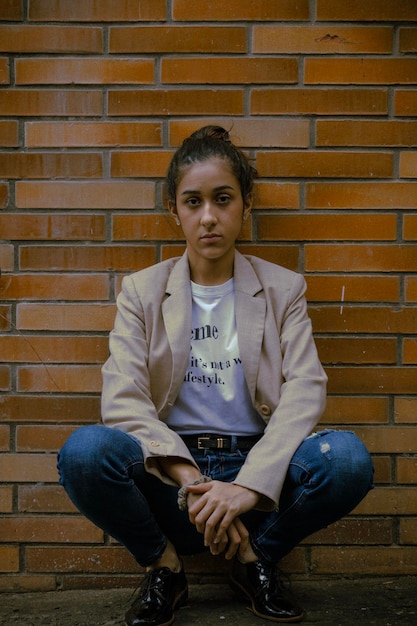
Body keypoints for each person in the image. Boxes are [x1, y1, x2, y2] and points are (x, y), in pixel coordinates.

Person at [58, 126, 374, 626]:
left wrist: (247, 486)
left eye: (223, 199)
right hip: (172, 478)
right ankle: (164, 568)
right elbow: (123, 399)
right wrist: (191, 480)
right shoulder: (142, 292)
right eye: (193, 201)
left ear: (245, 206)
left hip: (257, 472)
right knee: (84, 453)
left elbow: (305, 388)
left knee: (348, 462)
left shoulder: (282, 288)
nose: (209, 216)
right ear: (175, 211)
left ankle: (255, 560)